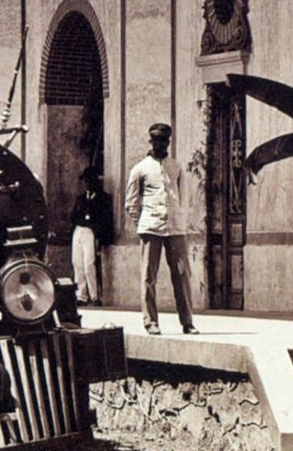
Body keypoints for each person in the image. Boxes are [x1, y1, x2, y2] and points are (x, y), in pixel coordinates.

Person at [125, 122, 197, 335]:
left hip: (175, 228)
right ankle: (151, 322)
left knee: (182, 275)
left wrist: (180, 220)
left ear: (168, 142)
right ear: (151, 141)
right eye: (156, 140)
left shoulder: (176, 167)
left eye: (164, 140)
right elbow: (131, 202)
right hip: (151, 227)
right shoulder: (140, 168)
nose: (160, 144)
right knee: (149, 276)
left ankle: (187, 322)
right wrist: (142, 222)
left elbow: (184, 198)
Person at [69, 167, 115, 305]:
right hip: (79, 230)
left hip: (91, 231)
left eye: (90, 180)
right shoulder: (81, 198)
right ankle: (81, 295)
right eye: (86, 181)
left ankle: (95, 296)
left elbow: (105, 219)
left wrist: (100, 235)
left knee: (89, 264)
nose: (88, 183)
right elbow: (74, 216)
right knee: (77, 263)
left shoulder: (103, 198)